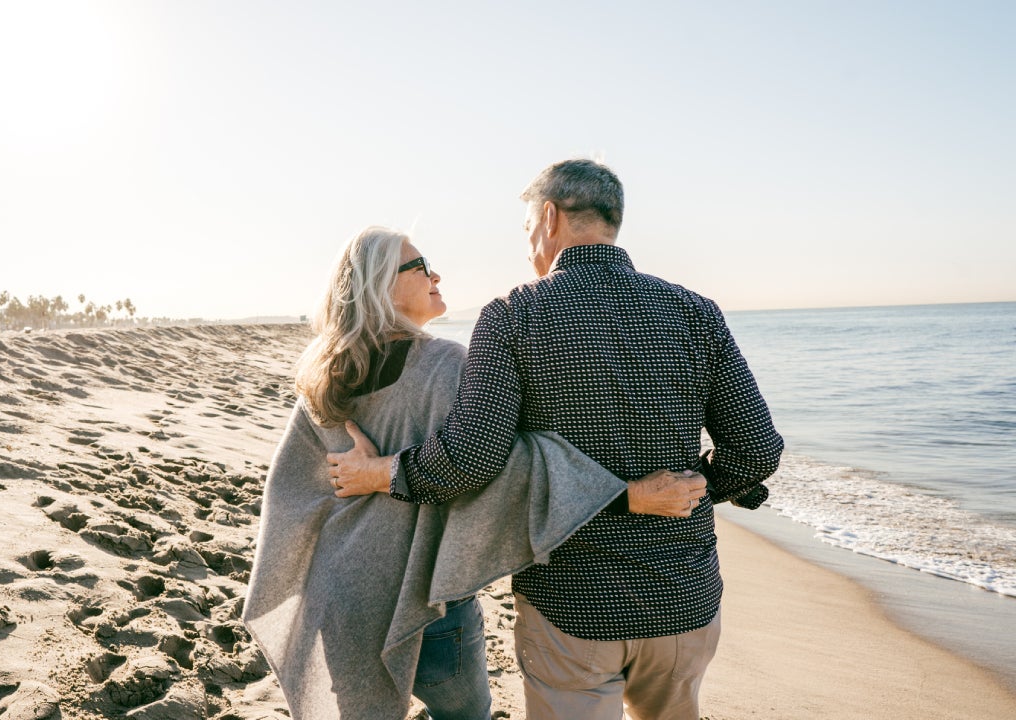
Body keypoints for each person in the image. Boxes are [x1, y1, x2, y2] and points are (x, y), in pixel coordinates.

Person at [330, 160, 784, 720]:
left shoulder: (512, 315)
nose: (528, 246)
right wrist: (697, 488)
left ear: (548, 218)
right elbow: (759, 450)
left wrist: (383, 473)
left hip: (572, 604)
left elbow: (470, 459)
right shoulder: (695, 311)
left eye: (526, 229)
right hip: (683, 596)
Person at [242, 226, 699, 720]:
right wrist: (625, 494)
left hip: (340, 597)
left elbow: (290, 490)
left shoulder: (322, 373)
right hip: (426, 605)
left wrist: (363, 482)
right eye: (418, 266)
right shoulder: (445, 365)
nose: (435, 273)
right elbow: (503, 467)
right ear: (379, 285)